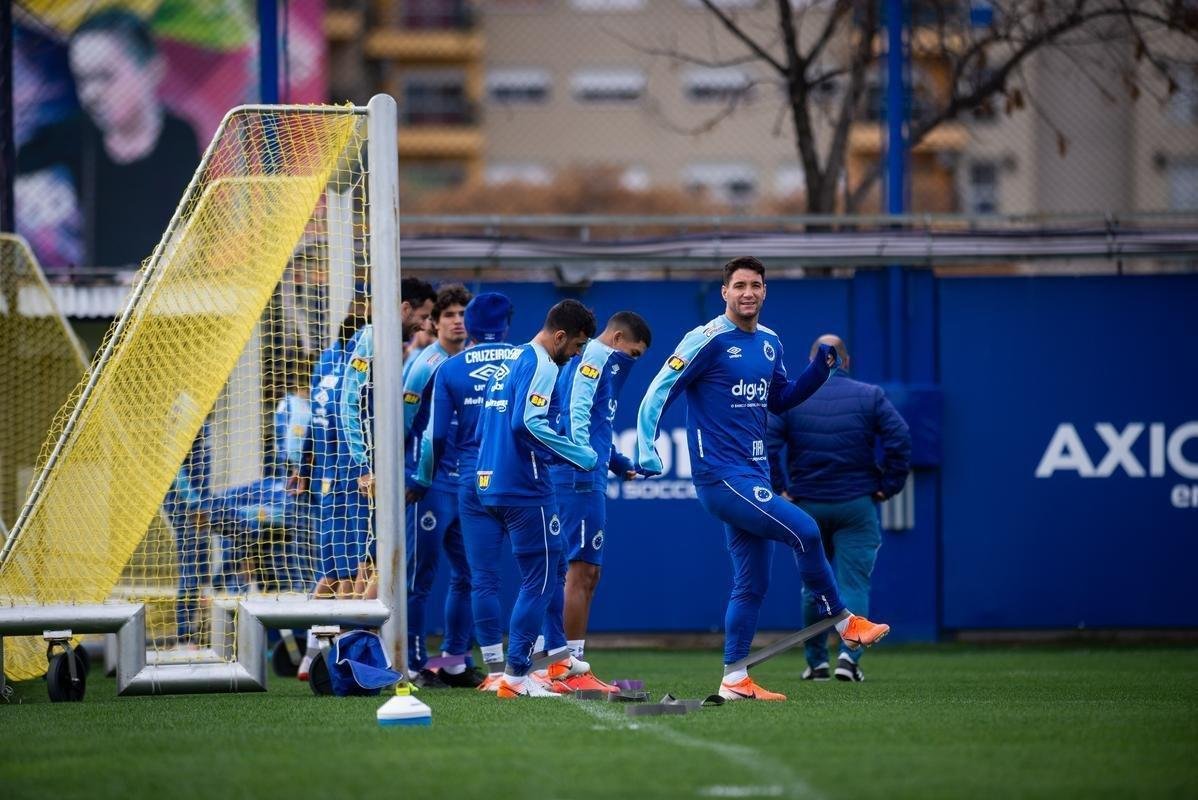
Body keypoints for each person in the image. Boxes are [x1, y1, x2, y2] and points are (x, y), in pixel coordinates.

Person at [634, 256, 890, 702]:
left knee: (752, 584)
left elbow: (782, 399)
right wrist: (645, 449)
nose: (748, 292)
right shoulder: (706, 339)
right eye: (739, 285)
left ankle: (734, 680)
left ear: (765, 291)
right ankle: (846, 623)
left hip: (751, 475)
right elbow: (659, 390)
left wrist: (819, 371)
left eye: (755, 285)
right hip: (720, 476)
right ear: (724, 292)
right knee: (806, 529)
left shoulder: (769, 341)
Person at [767, 334, 911, 683]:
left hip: (807, 506)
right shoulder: (870, 395)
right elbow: (900, 439)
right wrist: (887, 487)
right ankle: (849, 658)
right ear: (846, 361)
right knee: (854, 584)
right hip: (856, 505)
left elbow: (767, 443)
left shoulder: (795, 399)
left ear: (813, 360)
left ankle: (817, 663)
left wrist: (780, 487)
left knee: (813, 586)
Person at [473, 299, 598, 699]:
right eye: (577, 347)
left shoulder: (510, 360)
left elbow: (486, 425)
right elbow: (527, 422)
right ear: (560, 337)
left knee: (554, 564)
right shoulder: (543, 364)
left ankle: (558, 654)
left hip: (491, 481)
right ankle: (515, 677)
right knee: (541, 580)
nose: (576, 355)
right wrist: (580, 455)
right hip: (523, 487)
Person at [16, 9, 200, 269]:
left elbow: (192, 232)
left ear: (151, 70)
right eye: (82, 80)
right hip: (95, 298)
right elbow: (15, 166)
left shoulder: (180, 137)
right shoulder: (73, 133)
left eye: (105, 77)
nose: (91, 93)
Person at [536, 312, 652, 692]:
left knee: (582, 571)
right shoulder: (597, 358)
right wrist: (587, 461)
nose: (633, 362)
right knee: (580, 572)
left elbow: (596, 423)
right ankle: (566, 668)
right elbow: (576, 413)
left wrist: (617, 463)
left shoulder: (590, 361)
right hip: (579, 479)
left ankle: (555, 661)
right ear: (617, 339)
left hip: (584, 474)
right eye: (633, 353)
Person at [413, 292, 517, 690]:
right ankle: (541, 660)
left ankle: (481, 666)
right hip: (518, 478)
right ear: (507, 324)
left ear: (470, 326)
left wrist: (422, 478)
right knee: (538, 573)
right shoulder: (529, 358)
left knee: (477, 577)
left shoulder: (450, 368)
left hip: (468, 478)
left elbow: (433, 435)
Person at [397, 284, 474, 688]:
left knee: (469, 573)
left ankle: (455, 661)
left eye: (463, 313)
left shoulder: (472, 361)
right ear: (434, 321)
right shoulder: (426, 364)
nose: (458, 320)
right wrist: (411, 475)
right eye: (449, 315)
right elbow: (405, 422)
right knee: (419, 578)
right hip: (428, 485)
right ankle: (413, 664)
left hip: (466, 486)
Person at [288, 297, 369, 679]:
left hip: (326, 479)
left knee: (332, 572)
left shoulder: (325, 363)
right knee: (356, 573)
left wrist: (303, 467)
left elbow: (312, 423)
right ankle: (349, 656)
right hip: (353, 479)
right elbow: (349, 423)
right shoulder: (357, 371)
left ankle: (310, 655)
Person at [340, 276, 435, 596]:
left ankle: (351, 643)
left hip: (379, 465)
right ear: (405, 308)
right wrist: (363, 466)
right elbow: (348, 402)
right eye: (422, 317)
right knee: (370, 565)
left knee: (371, 565)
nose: (424, 326)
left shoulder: (392, 344)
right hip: (366, 469)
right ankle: (353, 643)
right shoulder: (371, 339)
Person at [164, 420, 212, 648]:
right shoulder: (186, 415)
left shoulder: (206, 423)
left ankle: (196, 631)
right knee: (190, 568)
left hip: (198, 502)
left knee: (201, 567)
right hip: (183, 503)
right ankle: (185, 636)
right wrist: (194, 503)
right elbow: (176, 469)